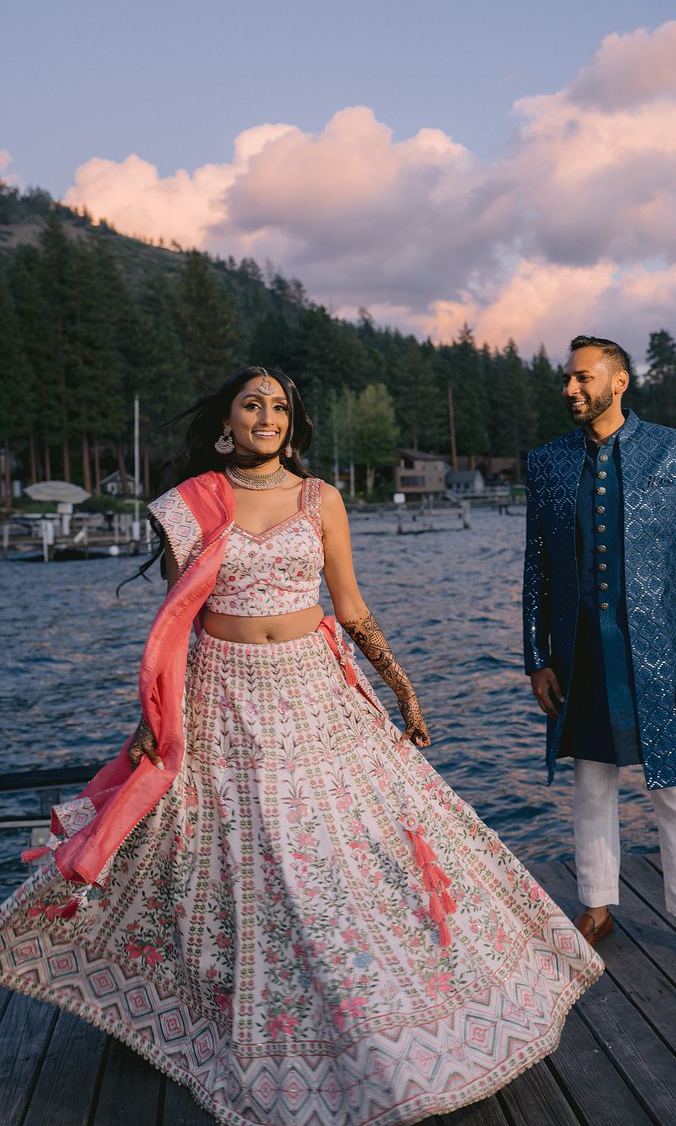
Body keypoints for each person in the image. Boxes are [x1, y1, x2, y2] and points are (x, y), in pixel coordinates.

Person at [0, 365, 602, 1126]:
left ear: (293, 421)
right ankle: (226, 1013)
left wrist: (402, 689)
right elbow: (175, 624)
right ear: (227, 420)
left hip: (315, 691)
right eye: (252, 403)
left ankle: (400, 1022)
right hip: (224, 694)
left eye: (279, 406)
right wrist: (155, 716)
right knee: (234, 853)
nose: (267, 416)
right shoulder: (187, 507)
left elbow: (349, 606)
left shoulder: (321, 500)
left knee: (338, 849)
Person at [524, 335, 676, 981]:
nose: (570, 389)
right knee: (591, 781)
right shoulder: (547, 462)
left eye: (583, 378)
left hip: (661, 652)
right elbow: (535, 569)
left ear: (619, 383)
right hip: (581, 650)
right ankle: (597, 906)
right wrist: (537, 656)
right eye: (567, 378)